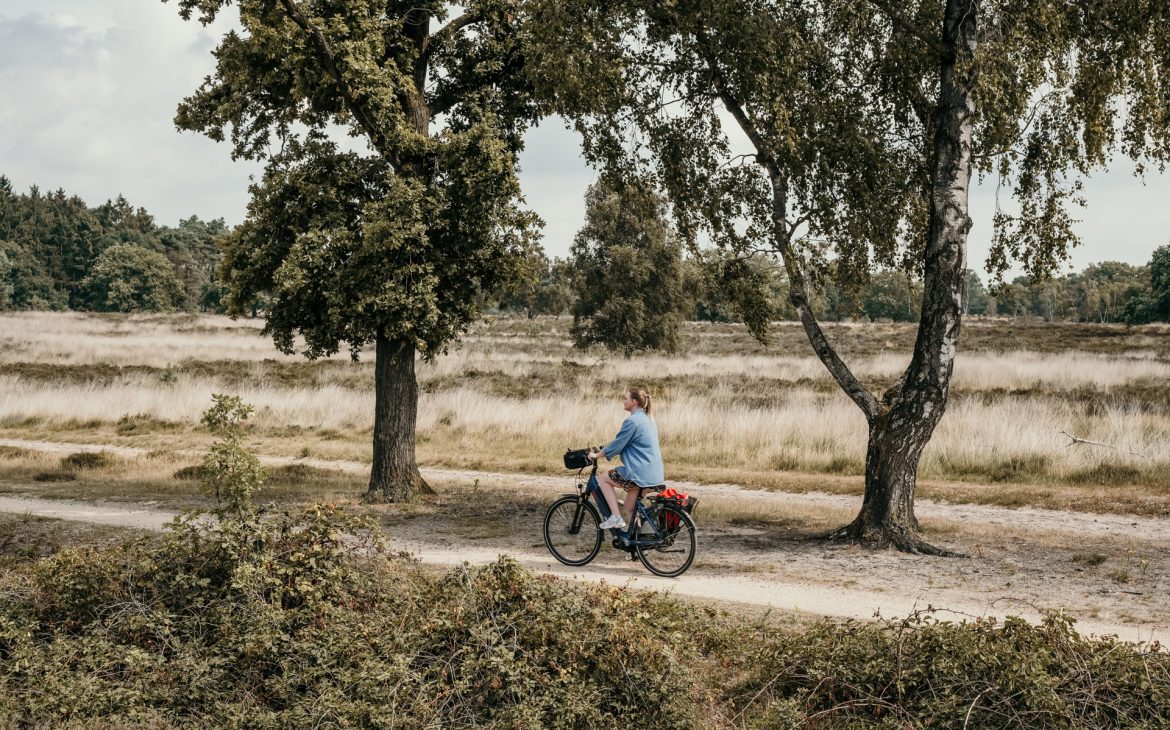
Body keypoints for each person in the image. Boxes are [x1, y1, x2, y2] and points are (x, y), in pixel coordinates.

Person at [589, 386, 664, 530]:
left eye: (626, 398)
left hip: (639, 473)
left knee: (604, 478)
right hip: (654, 473)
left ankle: (615, 518)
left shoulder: (632, 421)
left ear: (633, 402)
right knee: (629, 509)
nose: (624, 401)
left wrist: (597, 455)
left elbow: (617, 444)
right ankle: (640, 545)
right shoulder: (648, 419)